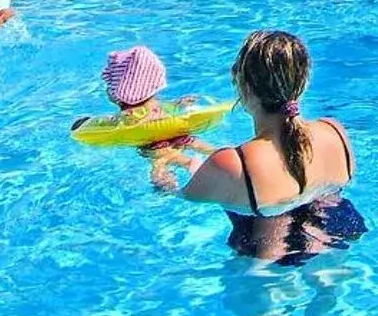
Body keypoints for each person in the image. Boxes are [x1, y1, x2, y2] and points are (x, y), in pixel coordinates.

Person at [181, 29, 363, 262]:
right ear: (303, 83)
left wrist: (165, 164)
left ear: (243, 87)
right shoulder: (335, 132)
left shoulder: (232, 163)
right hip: (340, 234)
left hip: (267, 261)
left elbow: (181, 196)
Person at [91, 44, 217, 193]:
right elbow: (165, 109)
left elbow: (120, 127)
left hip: (156, 147)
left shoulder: (129, 114)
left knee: (160, 166)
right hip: (178, 135)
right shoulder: (154, 102)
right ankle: (220, 155)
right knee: (195, 143)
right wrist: (179, 104)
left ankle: (183, 172)